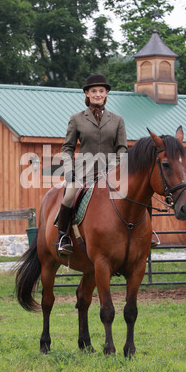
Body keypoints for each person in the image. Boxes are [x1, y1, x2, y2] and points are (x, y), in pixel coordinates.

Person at [57, 74, 127, 257]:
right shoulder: (77, 119)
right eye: (94, 91)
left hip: (111, 173)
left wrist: (115, 168)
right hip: (84, 174)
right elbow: (68, 148)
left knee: (139, 190)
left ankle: (147, 233)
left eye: (101, 91)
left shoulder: (117, 119)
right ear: (87, 94)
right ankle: (63, 237)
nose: (98, 94)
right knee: (68, 196)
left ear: (106, 93)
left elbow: (122, 147)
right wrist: (69, 171)